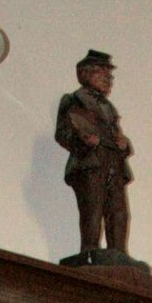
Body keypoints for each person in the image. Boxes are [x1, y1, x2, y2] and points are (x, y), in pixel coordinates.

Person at [55, 50, 132, 257]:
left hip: (113, 164)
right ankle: (89, 250)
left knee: (118, 211)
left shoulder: (108, 107)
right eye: (103, 73)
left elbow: (116, 136)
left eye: (109, 75)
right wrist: (83, 141)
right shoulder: (73, 99)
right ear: (86, 73)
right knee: (92, 209)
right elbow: (62, 133)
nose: (108, 78)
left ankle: (119, 252)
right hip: (90, 163)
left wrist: (124, 145)